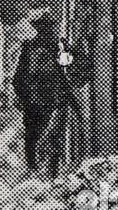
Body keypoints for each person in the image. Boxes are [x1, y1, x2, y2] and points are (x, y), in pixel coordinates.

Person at [11, 9, 76, 176]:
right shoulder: (40, 47)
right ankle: (41, 172)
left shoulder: (54, 47)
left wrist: (25, 99)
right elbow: (19, 78)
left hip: (44, 102)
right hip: (44, 102)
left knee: (40, 137)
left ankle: (42, 172)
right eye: (45, 27)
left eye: (48, 27)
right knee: (42, 137)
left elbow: (67, 70)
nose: (47, 30)